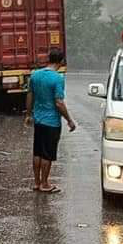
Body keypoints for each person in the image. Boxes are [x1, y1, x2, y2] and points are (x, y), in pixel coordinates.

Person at [25, 48, 76, 193]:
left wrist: (29, 114)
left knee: (38, 152)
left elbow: (30, 95)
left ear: (48, 59)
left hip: (39, 121)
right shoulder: (58, 78)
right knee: (47, 154)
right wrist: (69, 120)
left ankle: (36, 183)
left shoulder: (35, 75)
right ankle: (45, 184)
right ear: (61, 61)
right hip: (52, 122)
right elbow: (59, 102)